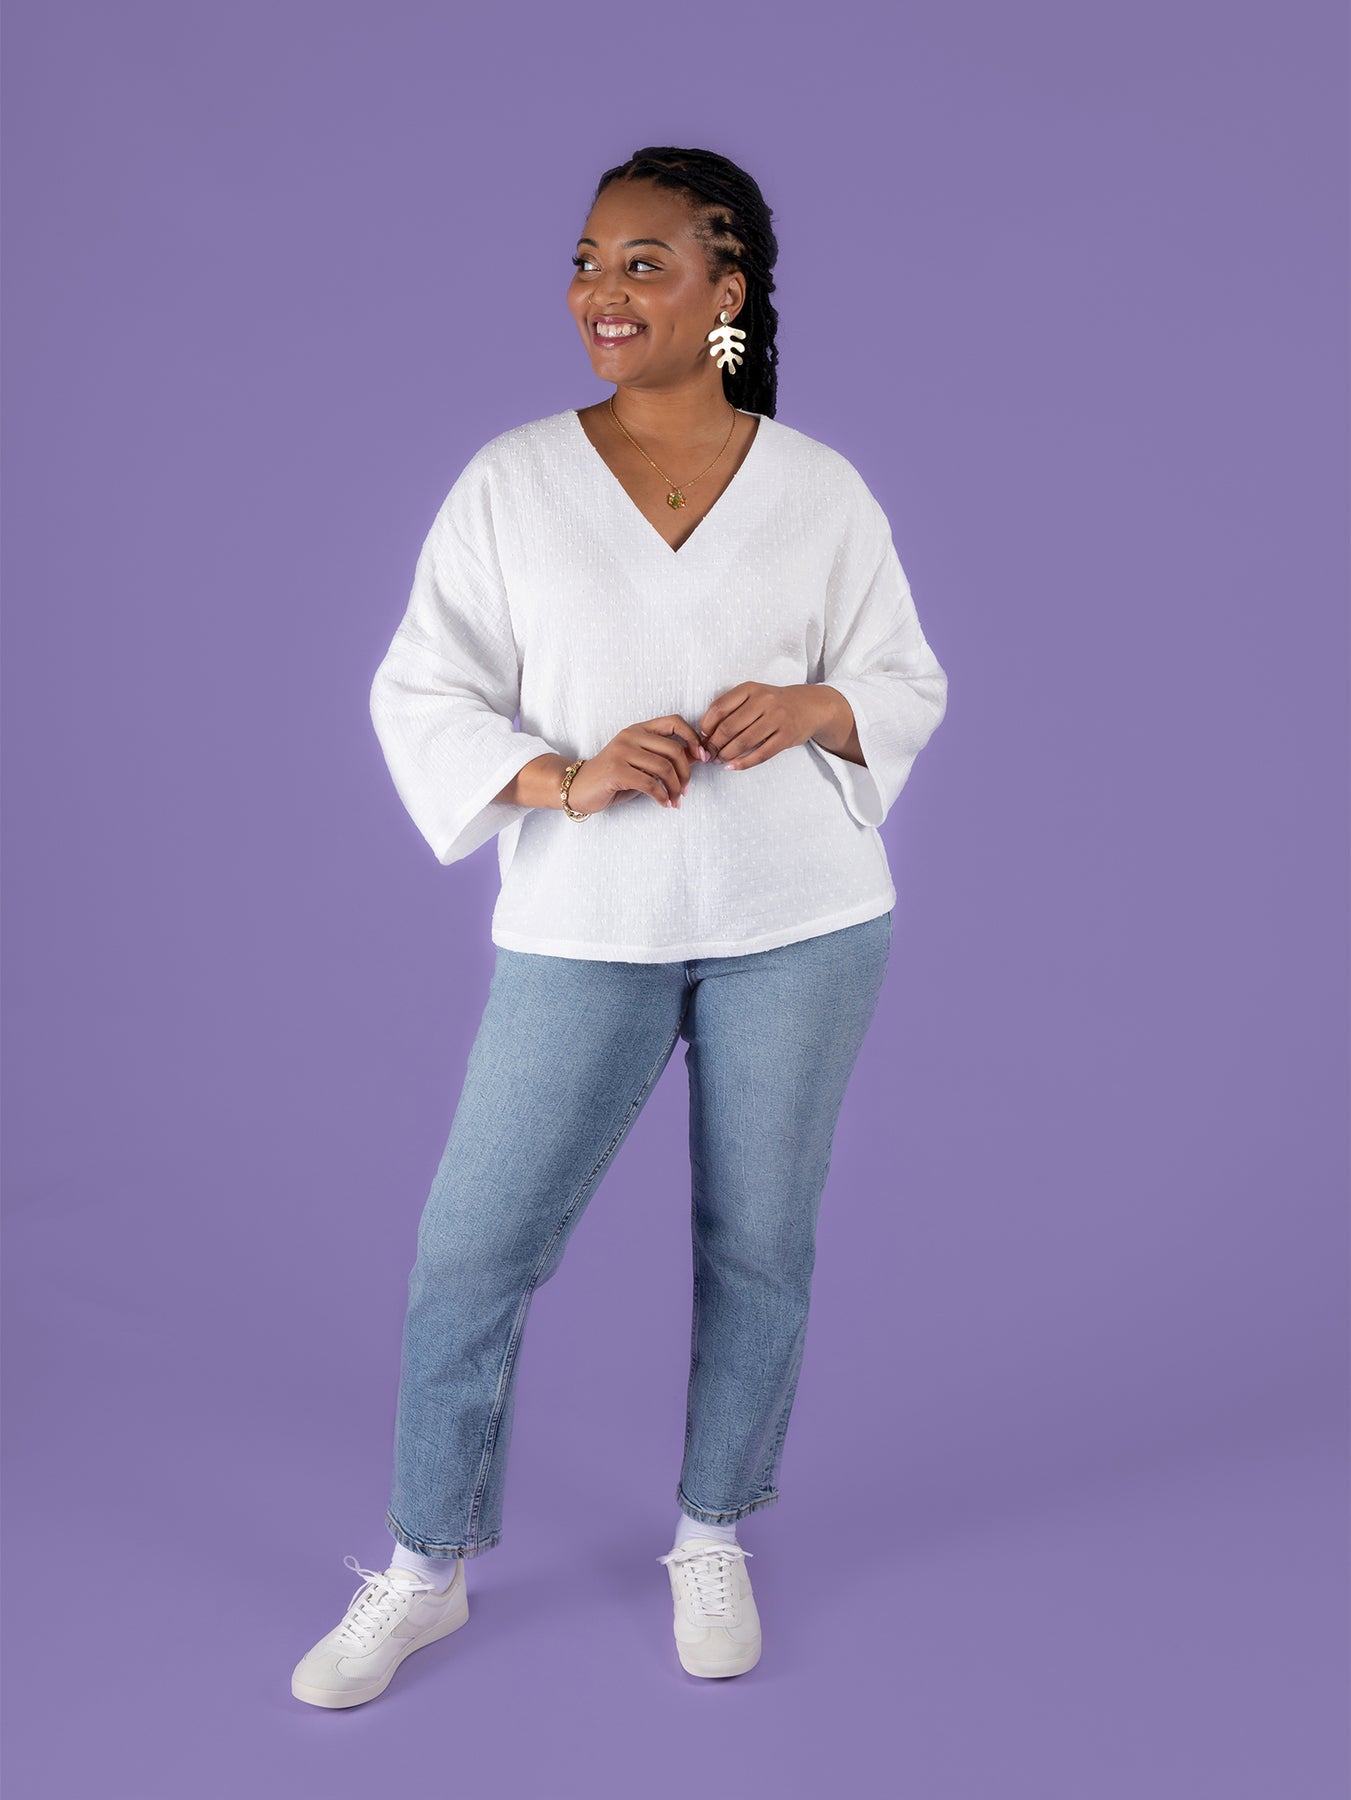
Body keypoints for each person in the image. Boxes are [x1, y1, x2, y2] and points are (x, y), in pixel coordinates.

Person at [291, 144, 948, 1707]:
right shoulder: (512, 482)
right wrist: (560, 777)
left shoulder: (819, 490)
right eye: (587, 261)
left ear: (727, 292)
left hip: (804, 920)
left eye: (643, 263)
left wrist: (818, 706)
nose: (602, 291)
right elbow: (421, 687)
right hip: (587, 924)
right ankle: (425, 1568)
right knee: (474, 1248)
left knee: (759, 1243)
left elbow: (905, 677)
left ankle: (712, 1533)